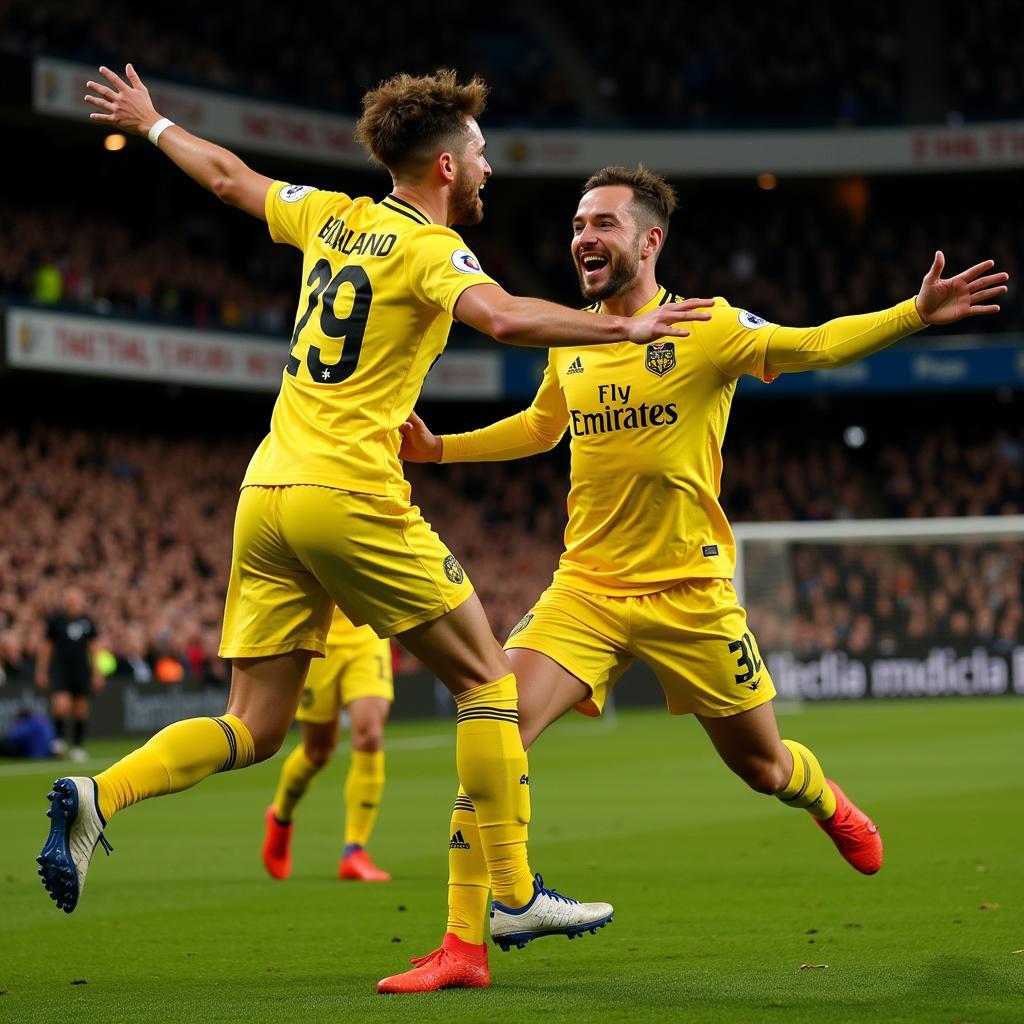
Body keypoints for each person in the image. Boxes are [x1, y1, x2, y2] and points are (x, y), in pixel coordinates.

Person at [40, 65, 711, 971]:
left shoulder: (333, 214)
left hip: (265, 493)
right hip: (348, 491)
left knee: (254, 726)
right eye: (477, 155)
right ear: (442, 167)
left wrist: (155, 123)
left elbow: (231, 178)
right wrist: (622, 330)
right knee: (489, 684)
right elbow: (506, 320)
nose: (485, 170)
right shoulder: (434, 251)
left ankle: (99, 795)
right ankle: (511, 894)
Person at [382, 164, 1010, 992]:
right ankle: (464, 946)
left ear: (651, 240)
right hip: (587, 592)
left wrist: (914, 312)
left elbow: (812, 344)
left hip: (692, 596)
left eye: (603, 223)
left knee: (762, 768)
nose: (583, 237)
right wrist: (443, 450)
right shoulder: (574, 335)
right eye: (578, 223)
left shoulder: (707, 326)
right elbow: (542, 428)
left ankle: (821, 796)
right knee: (491, 731)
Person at [262, 608, 394, 882]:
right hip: (316, 636)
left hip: (367, 633)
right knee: (318, 751)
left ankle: (354, 850)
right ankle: (280, 818)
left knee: (369, 735)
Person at [35, 586, 103, 762]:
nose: (72, 603)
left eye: (75, 600)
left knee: (81, 708)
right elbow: (47, 647)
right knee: (60, 704)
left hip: (81, 670)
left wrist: (97, 672)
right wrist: (41, 670)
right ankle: (58, 739)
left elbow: (94, 648)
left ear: (81, 602)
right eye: (69, 599)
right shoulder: (56, 621)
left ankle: (78, 746)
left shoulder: (87, 621)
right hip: (61, 669)